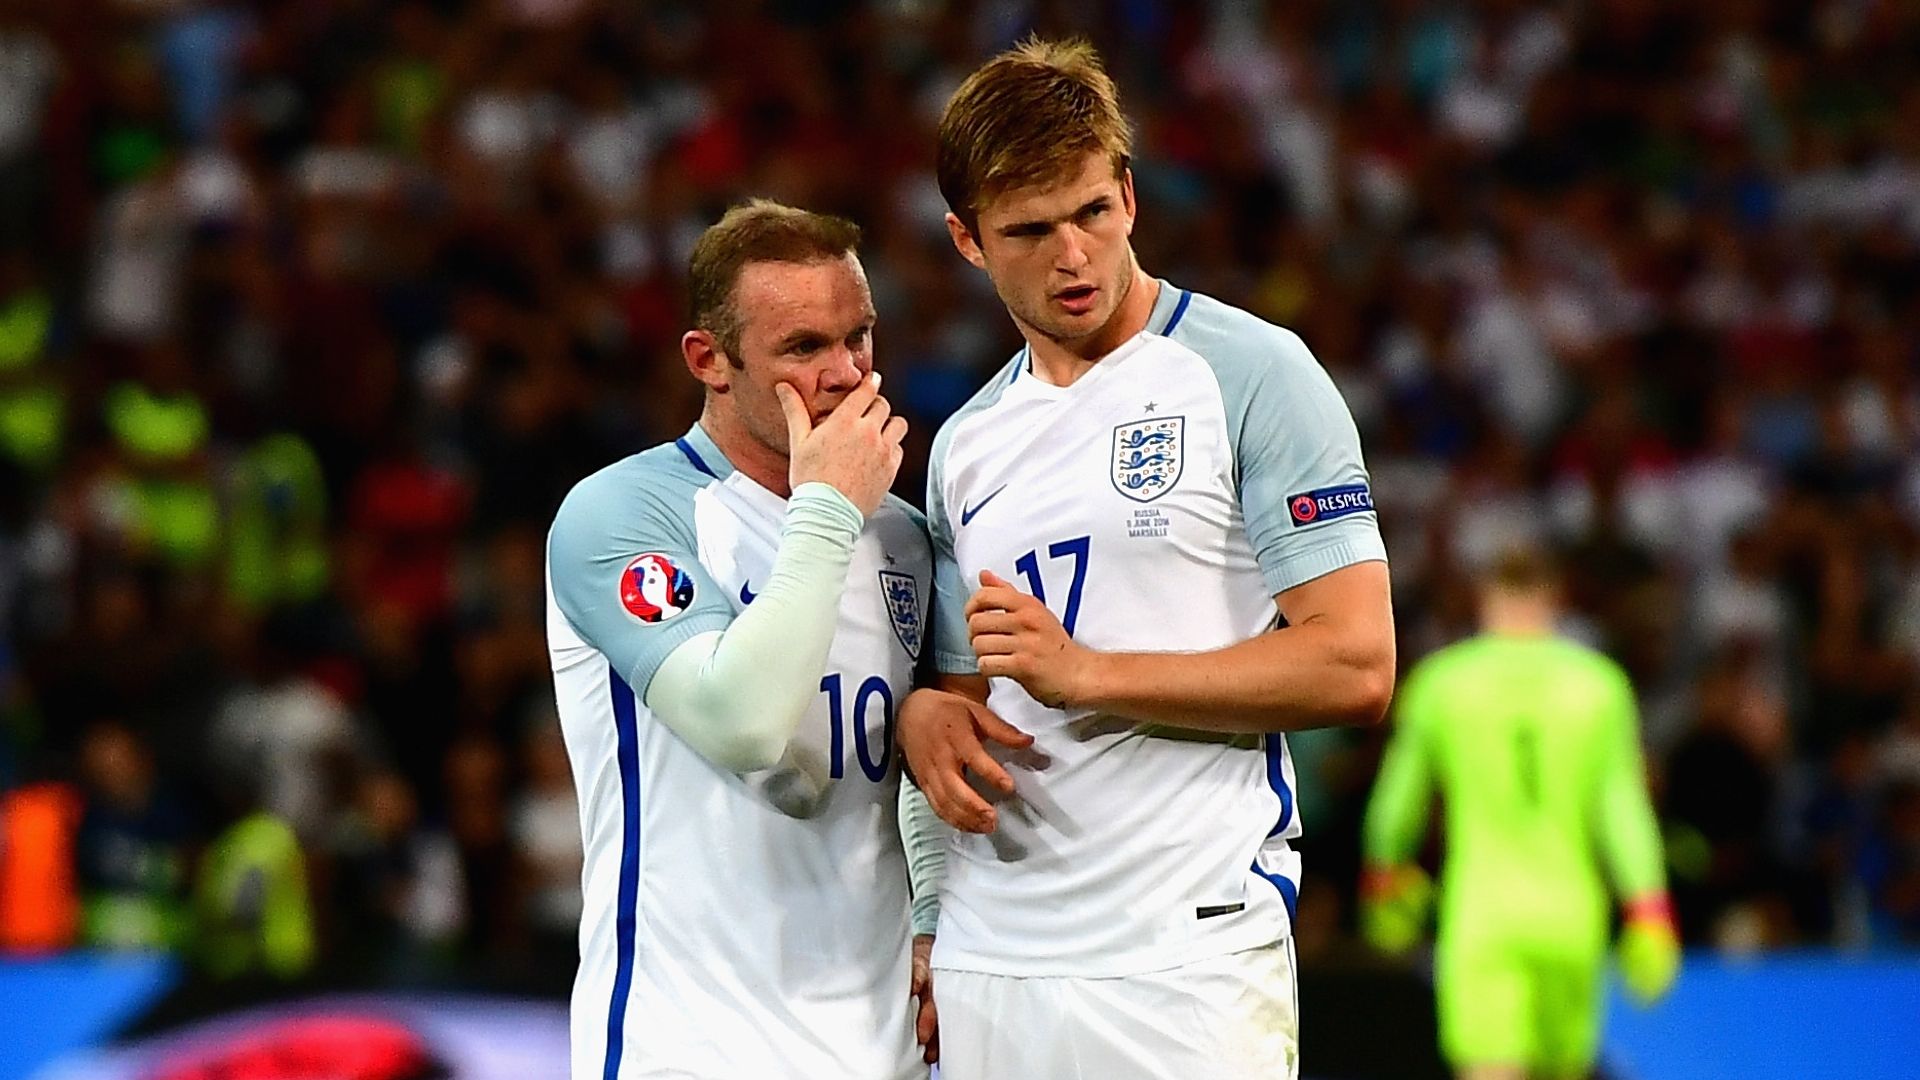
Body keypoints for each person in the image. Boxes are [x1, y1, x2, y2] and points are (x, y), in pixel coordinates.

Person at [896, 38, 1397, 1080]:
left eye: (1091, 212)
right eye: (1029, 231)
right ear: (968, 241)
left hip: (1185, 955)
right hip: (996, 958)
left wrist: (1092, 675)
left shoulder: (1252, 375)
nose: (1072, 256)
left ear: (1129, 194)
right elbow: (962, 709)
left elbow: (1355, 665)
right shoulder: (965, 446)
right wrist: (933, 900)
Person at [545, 199, 941, 1079]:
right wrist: (830, 507)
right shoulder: (626, 514)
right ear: (708, 361)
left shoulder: (908, 541)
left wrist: (935, 918)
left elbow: (918, 766)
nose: (845, 375)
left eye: (860, 338)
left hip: (884, 1054)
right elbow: (742, 723)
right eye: (803, 348)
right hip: (690, 1049)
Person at [1360, 548, 1680, 1080]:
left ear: (1485, 599)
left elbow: (1395, 808)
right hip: (1573, 918)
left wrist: (1383, 879)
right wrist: (1650, 909)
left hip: (1481, 917)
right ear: (1554, 600)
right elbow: (1623, 811)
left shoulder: (1442, 683)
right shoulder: (1599, 686)